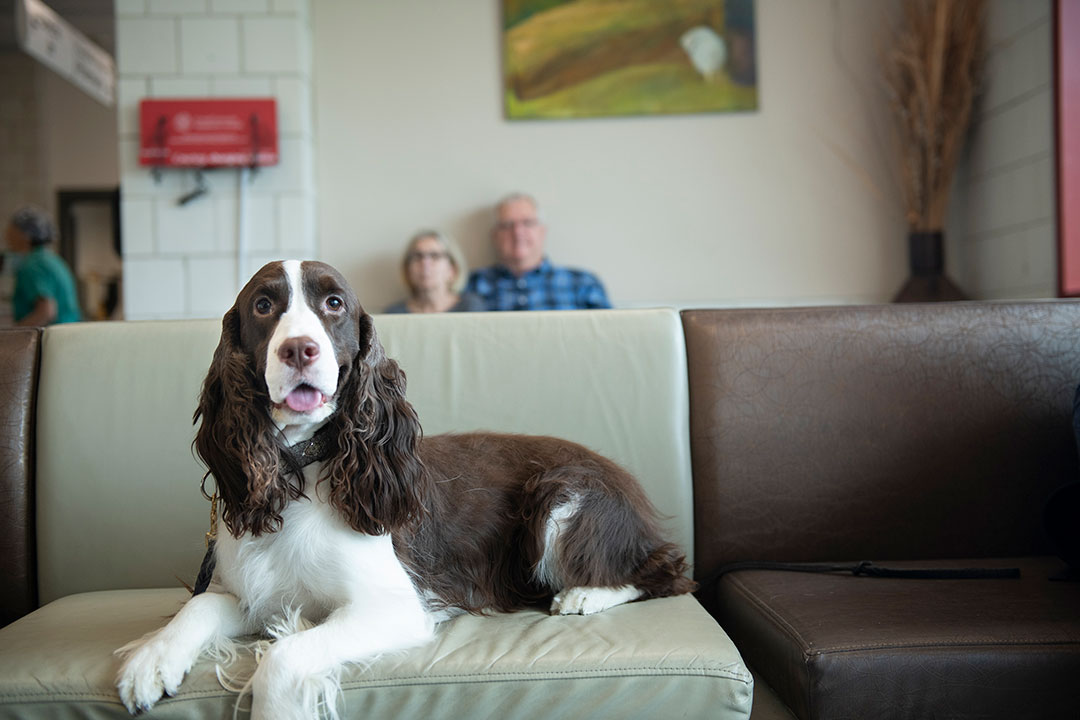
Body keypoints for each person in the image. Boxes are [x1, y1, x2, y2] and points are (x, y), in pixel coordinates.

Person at [465, 193, 611, 311]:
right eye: (507, 225)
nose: (518, 232)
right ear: (495, 235)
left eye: (528, 223)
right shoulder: (471, 285)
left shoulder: (582, 284)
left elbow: (608, 339)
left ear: (542, 231)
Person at [4, 206, 81, 326]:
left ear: (25, 235)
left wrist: (13, 335)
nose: (6, 234)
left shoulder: (33, 265)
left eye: (12, 228)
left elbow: (46, 312)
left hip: (53, 339)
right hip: (67, 334)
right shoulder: (51, 259)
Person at [383, 229, 485, 313]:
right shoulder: (394, 313)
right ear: (408, 270)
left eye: (435, 256)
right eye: (418, 256)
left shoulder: (470, 307)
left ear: (452, 269)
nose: (424, 263)